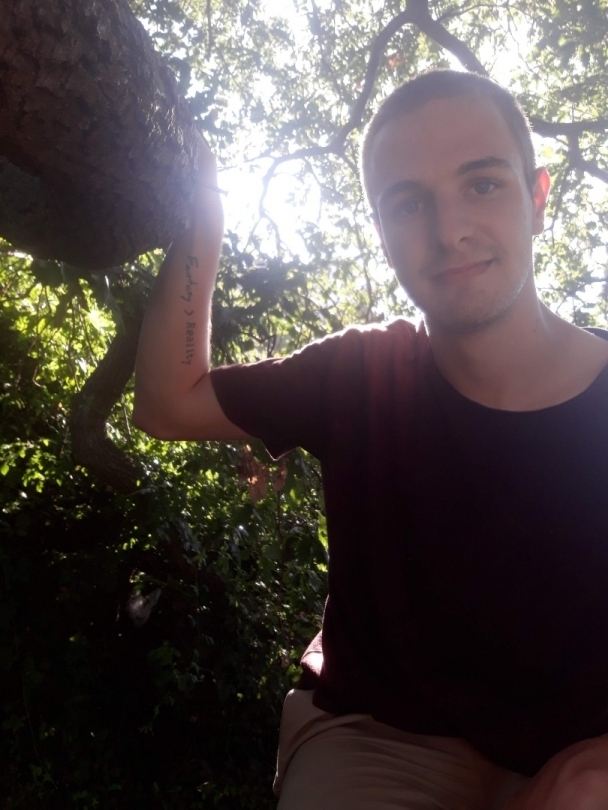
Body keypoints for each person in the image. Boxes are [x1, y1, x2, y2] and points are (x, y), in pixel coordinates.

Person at [133, 70, 608, 809]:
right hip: (382, 740)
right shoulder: (362, 375)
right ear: (382, 233)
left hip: (584, 749)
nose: (447, 231)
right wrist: (204, 215)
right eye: (408, 204)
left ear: (538, 197)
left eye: (482, 185)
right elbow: (169, 403)